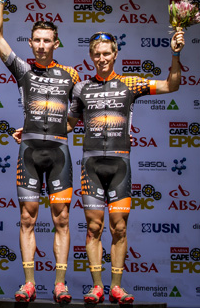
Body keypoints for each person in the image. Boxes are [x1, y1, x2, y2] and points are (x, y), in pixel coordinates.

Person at [67, 31, 185, 305]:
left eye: (107, 53)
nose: (102, 58)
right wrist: (35, 132)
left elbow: (172, 86)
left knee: (119, 228)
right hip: (91, 165)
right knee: (93, 227)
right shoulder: (81, 88)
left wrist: (176, 54)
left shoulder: (129, 83)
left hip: (120, 164)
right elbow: (70, 124)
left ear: (115, 54)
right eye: (97, 54)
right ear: (91, 57)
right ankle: (97, 287)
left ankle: (117, 288)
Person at [0, 0, 80, 303]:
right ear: (30, 43)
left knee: (63, 219)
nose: (42, 45)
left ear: (57, 43)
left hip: (58, 153)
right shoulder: (24, 72)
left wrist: (59, 127)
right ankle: (28, 283)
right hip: (29, 152)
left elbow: (80, 113)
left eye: (48, 41)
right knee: (27, 217)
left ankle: (59, 284)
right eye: (37, 41)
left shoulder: (70, 75)